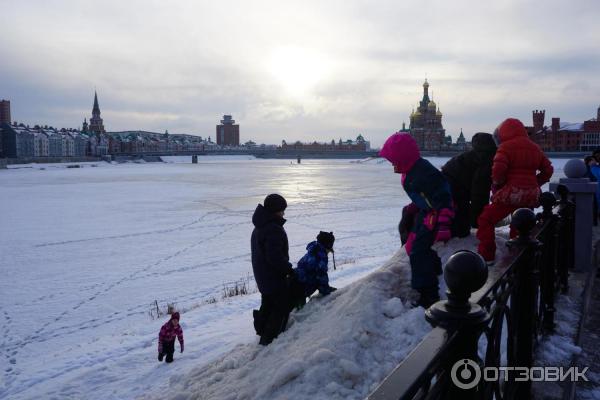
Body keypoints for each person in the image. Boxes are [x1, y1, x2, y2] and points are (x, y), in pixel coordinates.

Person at [380, 133, 454, 308]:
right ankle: (434, 268)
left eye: (393, 160)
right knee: (413, 245)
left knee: (418, 251)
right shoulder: (410, 170)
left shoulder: (422, 172)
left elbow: (443, 196)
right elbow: (423, 195)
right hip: (427, 211)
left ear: (403, 157)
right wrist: (415, 205)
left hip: (437, 214)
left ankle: (428, 294)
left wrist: (444, 222)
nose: (391, 164)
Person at [476, 118, 553, 265]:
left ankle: (487, 256)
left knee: (486, 219)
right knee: (521, 224)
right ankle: (518, 257)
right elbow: (548, 170)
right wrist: (535, 183)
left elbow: (498, 170)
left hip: (511, 193)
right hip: (530, 195)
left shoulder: (505, 147)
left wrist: (498, 184)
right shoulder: (535, 148)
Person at [251, 193, 295, 345]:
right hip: (273, 278)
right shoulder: (273, 229)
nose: (284, 213)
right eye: (282, 210)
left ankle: (261, 328)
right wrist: (289, 270)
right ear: (275, 210)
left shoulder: (259, 226)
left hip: (262, 277)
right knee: (280, 309)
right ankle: (269, 340)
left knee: (268, 304)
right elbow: (275, 258)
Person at [441, 132, 497, 238]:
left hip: (448, 180)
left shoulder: (476, 155)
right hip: (455, 185)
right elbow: (479, 194)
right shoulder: (486, 162)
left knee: (458, 215)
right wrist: (478, 221)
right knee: (460, 224)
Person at [292, 231, 337, 309]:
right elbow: (321, 275)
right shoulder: (321, 256)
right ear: (327, 245)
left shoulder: (314, 250)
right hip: (301, 288)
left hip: (294, 281)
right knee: (296, 311)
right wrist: (326, 290)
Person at [585, 155, 600, 225]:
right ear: (589, 162)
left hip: (595, 190)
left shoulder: (593, 168)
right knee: (594, 205)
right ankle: (594, 221)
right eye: (593, 160)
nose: (595, 161)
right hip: (593, 190)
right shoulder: (588, 170)